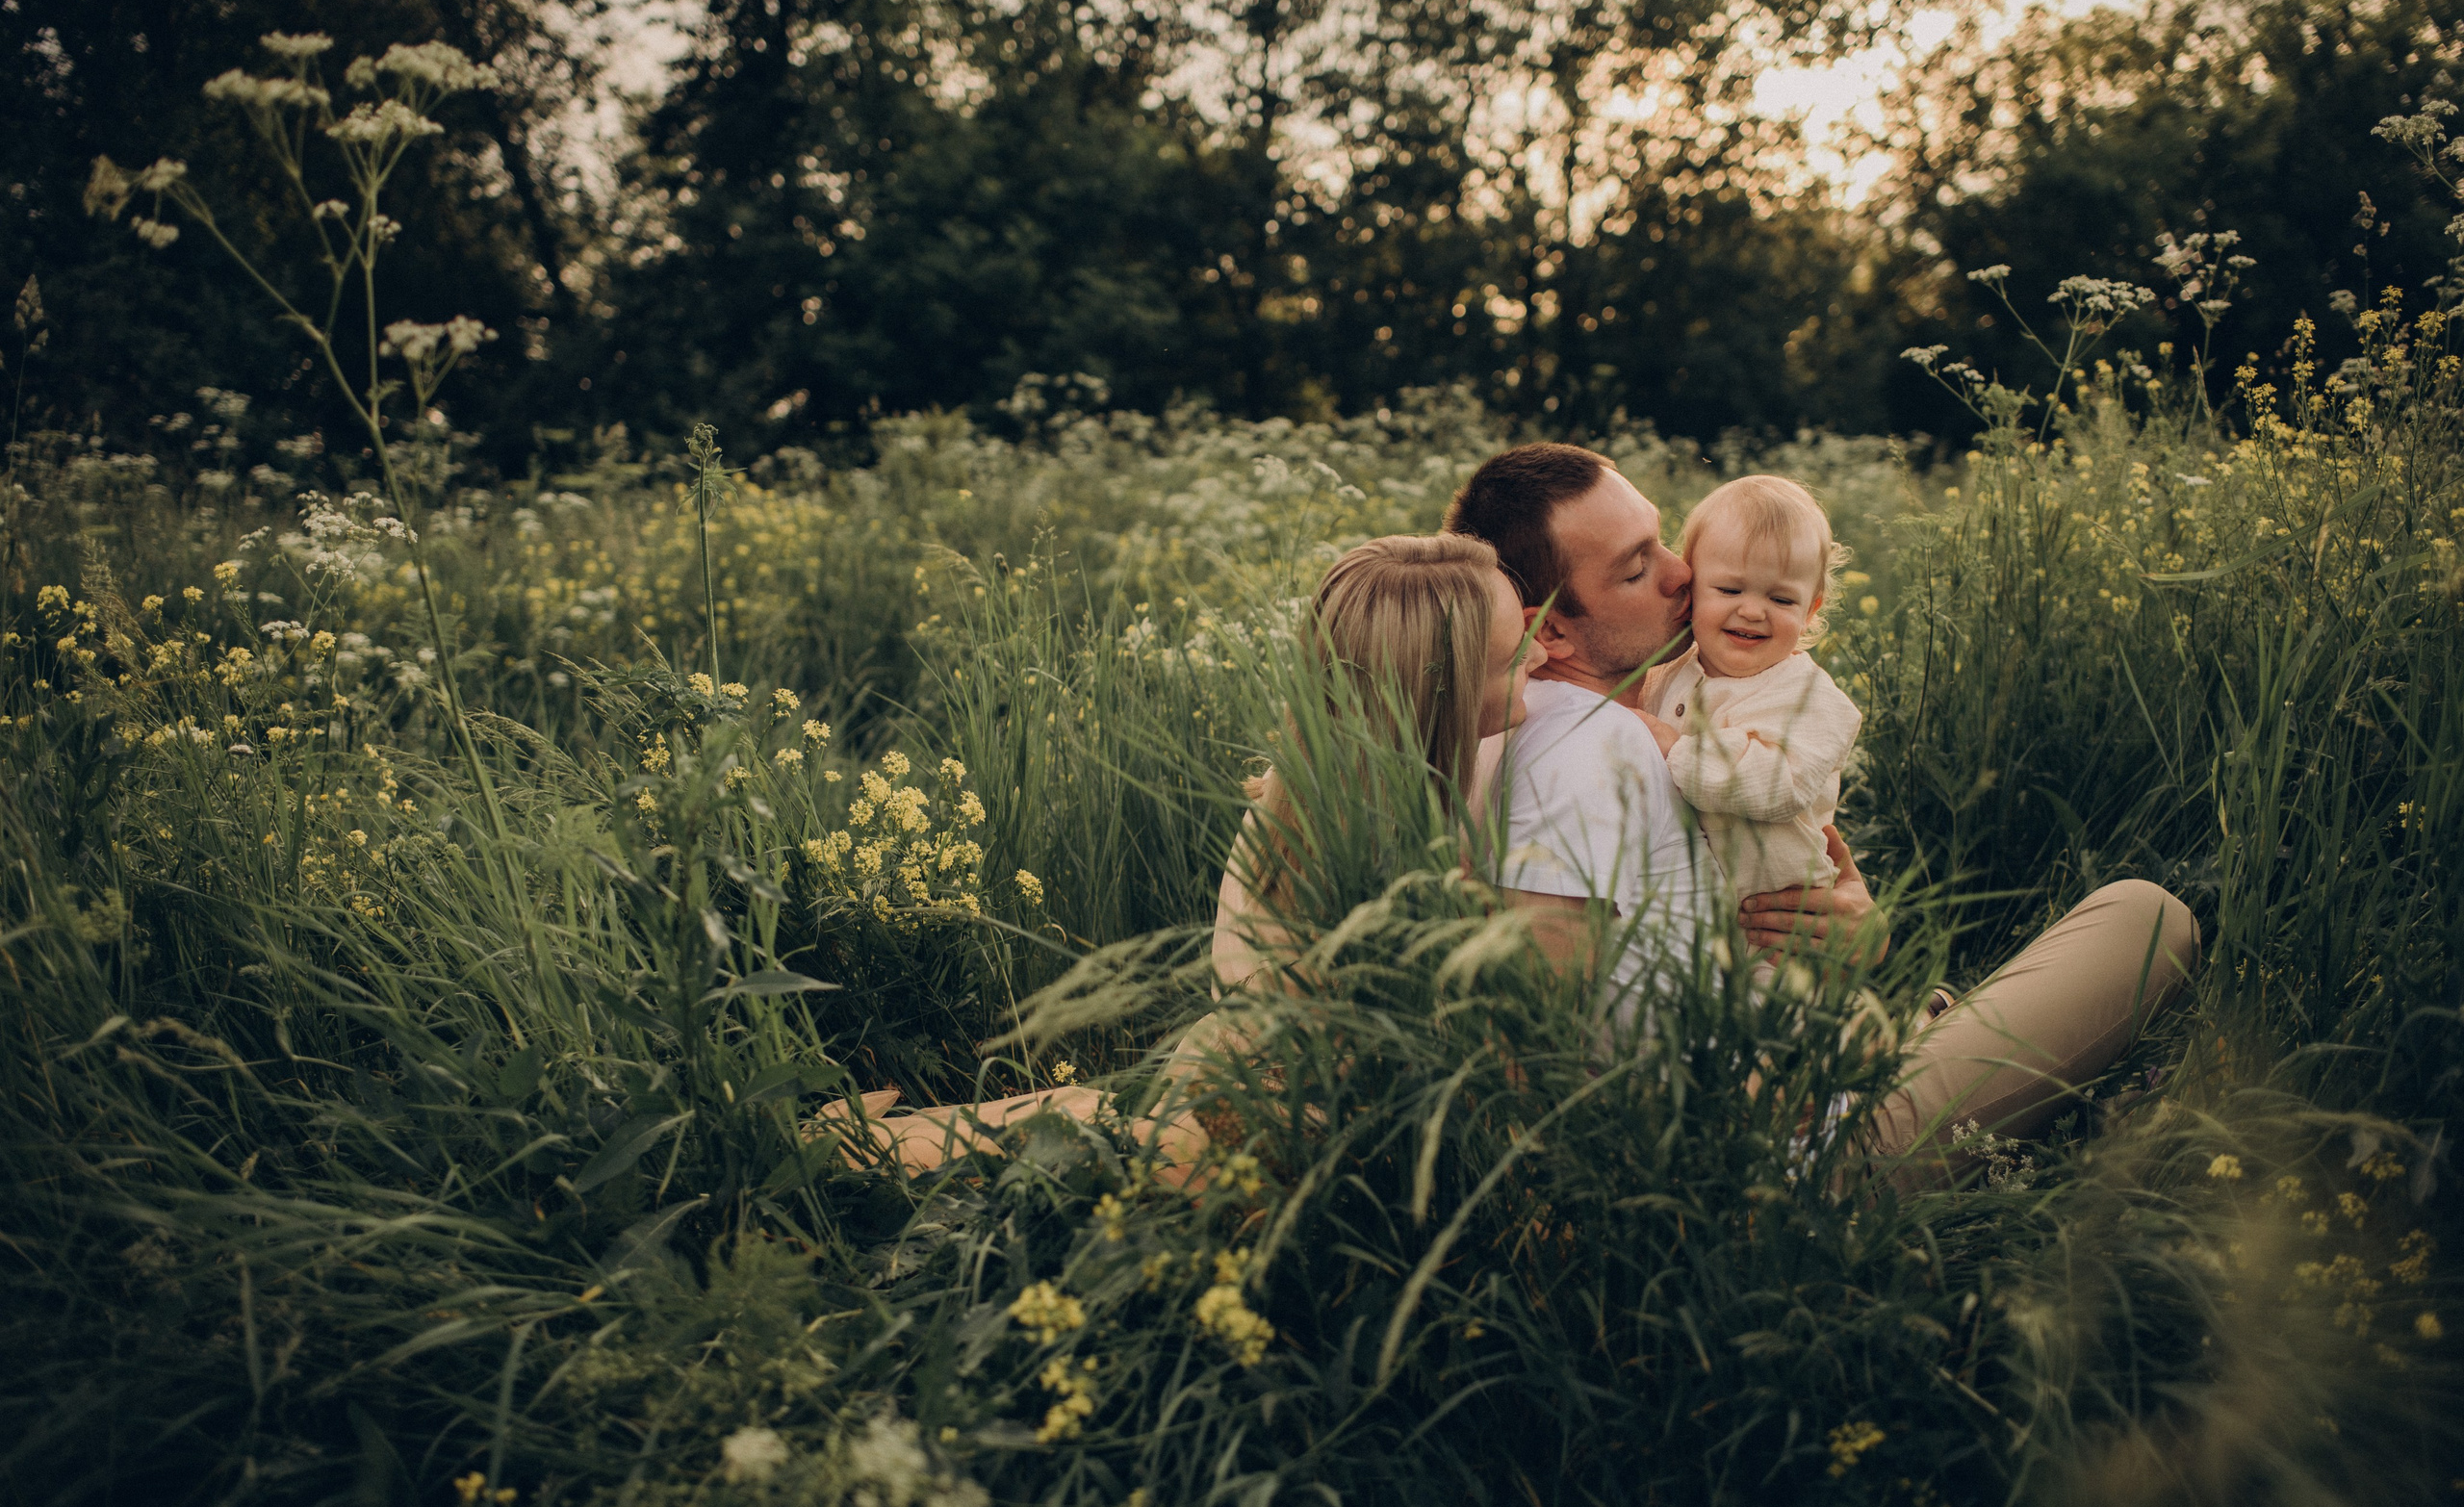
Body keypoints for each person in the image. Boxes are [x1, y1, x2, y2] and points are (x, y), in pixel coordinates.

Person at [1444, 442, 2201, 1179]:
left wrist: (1854, 931)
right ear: (1551, 628)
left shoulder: (1515, 712)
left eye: (1664, 539)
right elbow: (1551, 1053)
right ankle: (1956, 1046)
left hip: (1802, 1059)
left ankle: (1939, 1030)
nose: (1685, 572)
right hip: (1811, 1151)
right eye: (1638, 568)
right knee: (2150, 917)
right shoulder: (1596, 750)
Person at [809, 532, 1547, 1176]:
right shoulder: (1341, 841)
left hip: (1261, 1084)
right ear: (1433, 692)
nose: (1544, 655)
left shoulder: (1366, 778)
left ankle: (865, 1138)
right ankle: (841, 1152)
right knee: (1093, 1145)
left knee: (1090, 1113)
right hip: (1279, 1129)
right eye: (1515, 654)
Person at [1631, 473, 1862, 902]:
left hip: (1782, 917)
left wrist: (1674, 748)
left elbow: (1781, 784)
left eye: (1782, 600)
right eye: (1730, 589)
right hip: (1693, 905)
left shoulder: (1812, 698)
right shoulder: (1668, 672)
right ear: (1692, 589)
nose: (1753, 610)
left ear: (1811, 610)